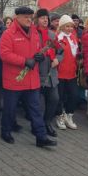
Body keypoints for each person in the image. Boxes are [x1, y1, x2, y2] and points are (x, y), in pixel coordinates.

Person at [0, 6, 57, 148]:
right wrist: (24, 61)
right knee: (10, 109)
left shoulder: (35, 33)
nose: (28, 19)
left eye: (30, 17)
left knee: (36, 110)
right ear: (17, 17)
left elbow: (40, 49)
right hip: (15, 79)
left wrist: (40, 55)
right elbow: (5, 54)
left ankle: (41, 137)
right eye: (25, 17)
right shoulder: (8, 34)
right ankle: (6, 131)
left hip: (32, 80)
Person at [35, 9, 63, 137]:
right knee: (39, 104)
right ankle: (38, 126)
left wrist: (57, 59)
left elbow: (61, 50)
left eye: (46, 18)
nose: (45, 20)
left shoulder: (52, 35)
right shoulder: (32, 34)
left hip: (51, 75)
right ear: (37, 20)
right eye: (42, 18)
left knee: (54, 99)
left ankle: (47, 123)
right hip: (37, 74)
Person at [55, 15, 79, 131]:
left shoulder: (73, 37)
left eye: (71, 26)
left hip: (72, 72)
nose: (69, 28)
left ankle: (69, 115)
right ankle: (59, 115)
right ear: (62, 27)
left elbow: (75, 54)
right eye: (67, 26)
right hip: (60, 73)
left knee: (74, 95)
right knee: (60, 97)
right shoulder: (58, 38)